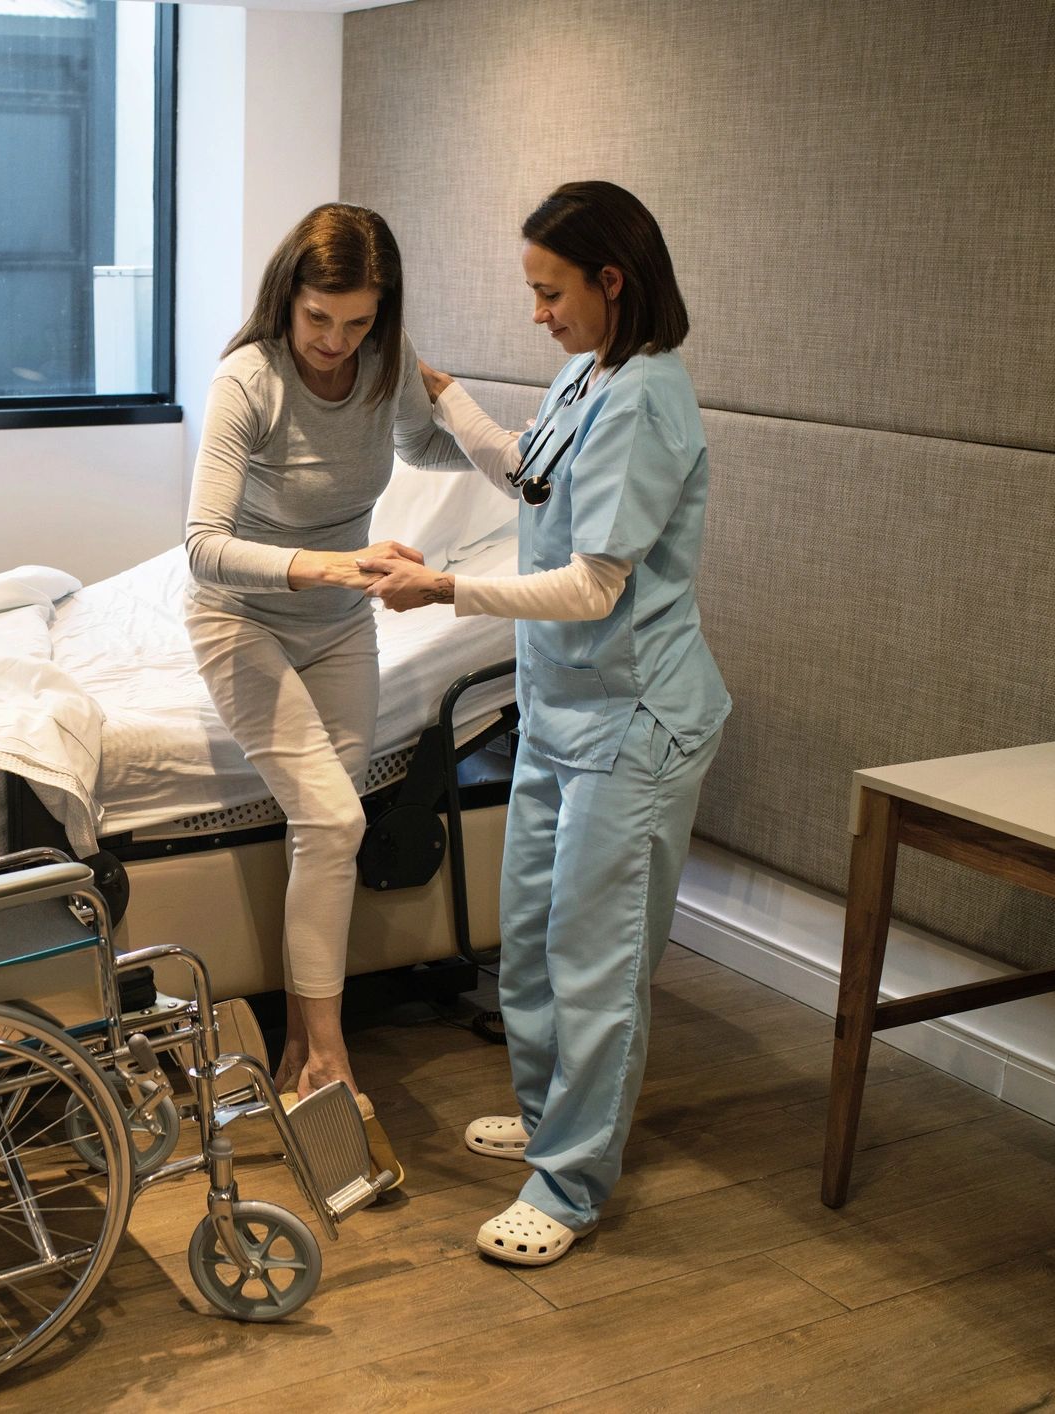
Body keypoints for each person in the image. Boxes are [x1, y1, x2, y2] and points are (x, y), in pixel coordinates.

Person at [359, 181, 732, 1265]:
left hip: (635, 722)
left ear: (610, 280)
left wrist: (447, 595)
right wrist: (431, 384)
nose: (538, 314)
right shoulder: (588, 372)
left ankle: (569, 1181)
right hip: (562, 709)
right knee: (526, 931)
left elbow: (592, 586)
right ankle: (546, 1111)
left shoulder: (649, 398)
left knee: (593, 957)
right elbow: (526, 474)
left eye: (548, 291)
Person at [184, 202, 462, 1180]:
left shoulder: (383, 361)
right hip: (242, 618)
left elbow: (424, 445)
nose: (336, 344)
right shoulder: (246, 380)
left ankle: (304, 1053)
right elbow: (203, 546)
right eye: (318, 320)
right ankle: (331, 1054)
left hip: (340, 628)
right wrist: (332, 567)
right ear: (286, 300)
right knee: (337, 822)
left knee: (325, 827)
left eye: (356, 323)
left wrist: (485, 429)